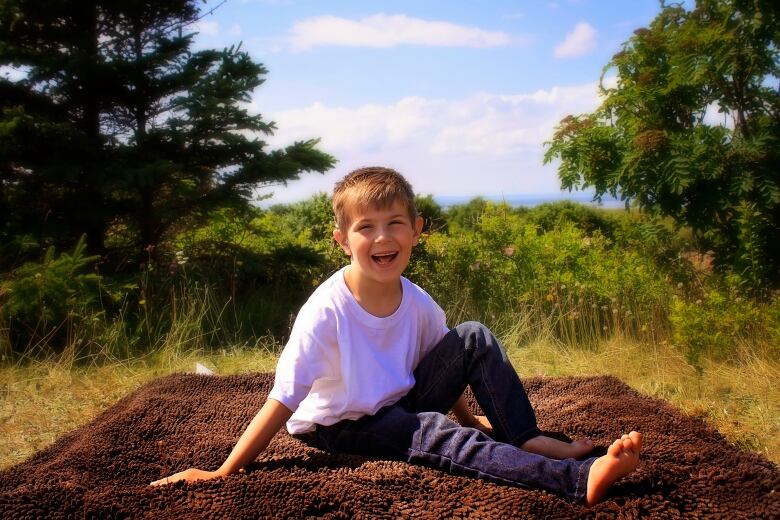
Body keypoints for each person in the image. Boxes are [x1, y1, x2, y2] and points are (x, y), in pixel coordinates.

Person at [151, 167, 641, 506]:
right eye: (366, 227)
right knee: (437, 434)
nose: (383, 237)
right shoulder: (326, 312)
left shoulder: (419, 301)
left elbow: (447, 365)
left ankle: (527, 438)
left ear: (417, 230)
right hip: (343, 424)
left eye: (395, 224)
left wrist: (475, 420)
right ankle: (576, 479)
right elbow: (283, 399)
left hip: (401, 399)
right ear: (342, 240)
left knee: (472, 336)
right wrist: (222, 472)